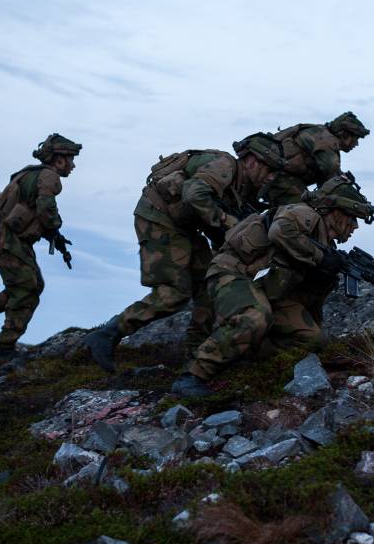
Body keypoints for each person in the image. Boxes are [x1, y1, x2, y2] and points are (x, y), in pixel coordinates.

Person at [81, 134, 286, 372]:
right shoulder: (225, 166)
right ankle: (107, 334)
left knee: (209, 283)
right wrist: (227, 221)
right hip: (158, 217)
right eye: (269, 169)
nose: (270, 178)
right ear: (252, 161)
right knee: (174, 293)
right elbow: (194, 193)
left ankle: (195, 353)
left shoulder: (241, 188)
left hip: (184, 225)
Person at [171, 173, 374, 397]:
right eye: (352, 218)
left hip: (266, 290)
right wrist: (320, 257)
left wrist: (325, 274)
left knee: (313, 339)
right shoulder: (304, 214)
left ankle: (239, 354)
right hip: (232, 274)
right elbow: (280, 231)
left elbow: (304, 298)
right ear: (336, 211)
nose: (354, 226)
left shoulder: (324, 241)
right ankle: (193, 375)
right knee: (255, 316)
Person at [0, 133, 80, 359]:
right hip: (9, 241)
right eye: (70, 159)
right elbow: (46, 209)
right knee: (27, 288)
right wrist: (55, 226)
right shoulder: (49, 176)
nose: (73, 165)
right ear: (59, 159)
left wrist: (54, 236)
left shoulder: (29, 173)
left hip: (7, 238)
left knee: (32, 284)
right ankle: (5, 346)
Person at [261, 111, 370, 206]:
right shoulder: (327, 142)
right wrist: (356, 202)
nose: (356, 144)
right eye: (356, 138)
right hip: (277, 178)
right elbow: (332, 180)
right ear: (345, 134)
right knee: (304, 211)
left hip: (275, 176)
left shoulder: (320, 132)